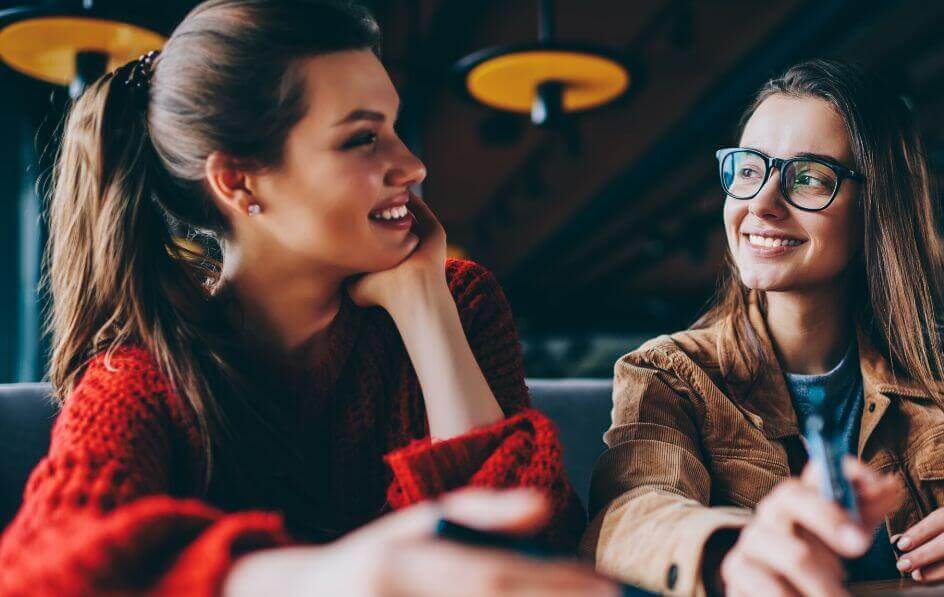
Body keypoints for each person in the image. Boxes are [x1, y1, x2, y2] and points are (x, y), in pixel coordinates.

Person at [0, 1, 614, 595]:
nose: (411, 164)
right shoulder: (145, 373)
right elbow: (44, 565)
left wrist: (426, 306)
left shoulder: (462, 300)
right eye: (362, 139)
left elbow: (538, 542)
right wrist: (315, 578)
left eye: (393, 128)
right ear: (239, 181)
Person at [583, 58, 944, 596]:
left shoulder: (943, 375)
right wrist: (731, 552)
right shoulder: (669, 375)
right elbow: (628, 512)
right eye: (748, 169)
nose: (764, 204)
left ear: (876, 207)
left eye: (808, 178)